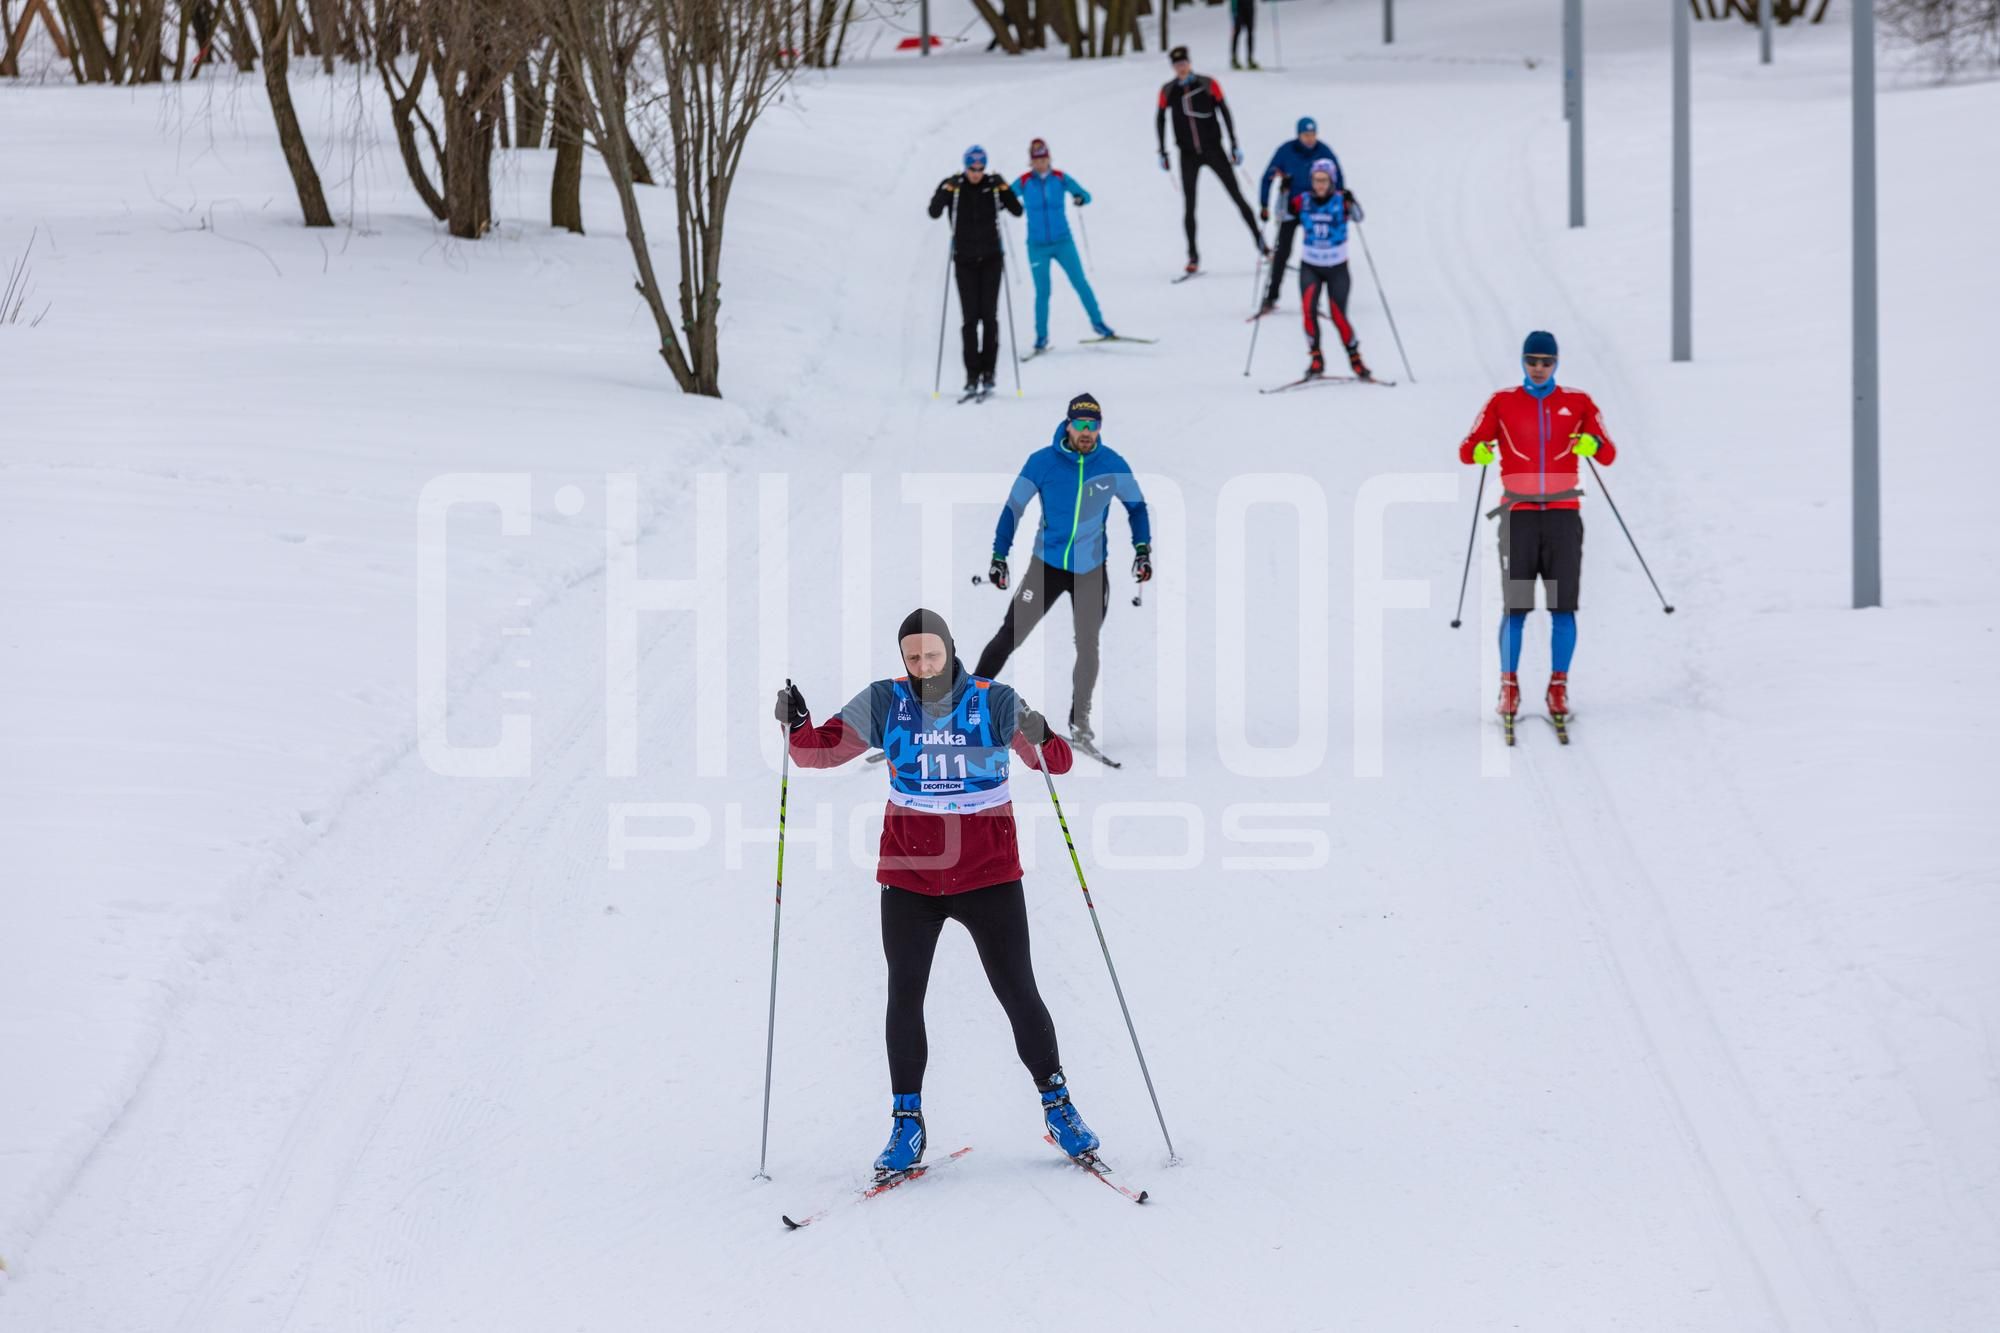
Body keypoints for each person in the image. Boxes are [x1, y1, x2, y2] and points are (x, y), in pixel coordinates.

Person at [775, 609, 1102, 1175]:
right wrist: (796, 723)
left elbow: (1058, 762)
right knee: (904, 994)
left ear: (951, 649)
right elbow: (816, 752)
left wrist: (1041, 733)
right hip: (909, 875)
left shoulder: (994, 700)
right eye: (912, 657)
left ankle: (1059, 1105)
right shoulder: (885, 701)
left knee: (1017, 990)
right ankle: (907, 1123)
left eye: (932, 654)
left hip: (988, 873)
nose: (923, 665)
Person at [1456, 331, 1619, 721]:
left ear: (1557, 362)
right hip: (1519, 517)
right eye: (1533, 361)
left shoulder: (1577, 402)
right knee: (1516, 608)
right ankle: (1509, 685)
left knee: (1563, 609)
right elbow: (1467, 448)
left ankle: (1558, 686)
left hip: (1563, 516)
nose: (1539, 368)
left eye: (1547, 361)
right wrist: (1478, 450)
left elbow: (1609, 452)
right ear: (1523, 362)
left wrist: (1592, 446)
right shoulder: (1503, 402)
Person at [975, 393, 1152, 747]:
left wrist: (1142, 549)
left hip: (1090, 570)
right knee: (1010, 634)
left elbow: (1137, 507)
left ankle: (1079, 722)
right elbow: (1014, 508)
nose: (1087, 432)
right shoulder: (1042, 462)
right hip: (1047, 566)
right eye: (1081, 424)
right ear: (1068, 424)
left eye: (1094, 425)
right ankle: (965, 708)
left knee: (1088, 645)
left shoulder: (1112, 463)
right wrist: (999, 554)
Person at [1155, 46, 1265, 276]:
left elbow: (1224, 111)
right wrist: (1162, 151)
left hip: (1214, 149)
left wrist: (1234, 143)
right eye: (1177, 65)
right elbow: (1160, 118)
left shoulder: (1207, 84)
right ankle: (1193, 256)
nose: (1181, 68)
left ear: (1189, 63)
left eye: (1184, 63)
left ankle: (1262, 244)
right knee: (1190, 205)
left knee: (1237, 196)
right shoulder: (1168, 90)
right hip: (1187, 154)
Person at [928, 145, 1023, 397]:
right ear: (966, 166)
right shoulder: (955, 187)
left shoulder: (992, 186)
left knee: (989, 318)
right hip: (964, 261)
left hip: (992, 260)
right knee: (970, 320)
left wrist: (1004, 187)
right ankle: (971, 375)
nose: (977, 173)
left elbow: (1016, 210)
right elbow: (934, 212)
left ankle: (989, 373)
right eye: (972, 168)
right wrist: (945, 189)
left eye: (981, 169)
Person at [1014, 138, 1114, 353]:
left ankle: (1099, 324)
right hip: (1037, 245)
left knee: (1080, 282)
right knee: (1043, 292)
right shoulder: (1024, 182)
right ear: (1031, 162)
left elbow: (1086, 195)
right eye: (1036, 160)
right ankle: (1041, 337)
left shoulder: (1059, 179)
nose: (1040, 163)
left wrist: (1080, 198)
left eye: (1043, 158)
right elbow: (1005, 197)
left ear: (1049, 158)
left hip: (1062, 242)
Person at [1257, 117, 1353, 313]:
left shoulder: (1323, 151)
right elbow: (1268, 176)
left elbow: (1338, 176)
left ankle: (1314, 300)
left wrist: (1341, 197)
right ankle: (1271, 295)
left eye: (1312, 135)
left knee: (1317, 252)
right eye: (1305, 135)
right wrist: (1264, 203)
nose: (1310, 139)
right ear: (1298, 135)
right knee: (1282, 250)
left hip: (1317, 208)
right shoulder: (1286, 151)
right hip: (1292, 207)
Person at [1291, 162, 1372, 381]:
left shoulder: (1340, 201)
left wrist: (1352, 200)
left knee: (1338, 314)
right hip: (1311, 265)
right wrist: (1283, 193)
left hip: (1337, 267)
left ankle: (1355, 359)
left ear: (1331, 181)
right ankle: (1316, 359)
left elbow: (1358, 217)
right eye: (1316, 180)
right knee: (1308, 310)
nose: (1319, 185)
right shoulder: (1303, 200)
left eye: (1324, 180)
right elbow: (1282, 215)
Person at [1230, 0, 1259, 70]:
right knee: (1237, 32)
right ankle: (1234, 59)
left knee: (1250, 33)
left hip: (1249, 6)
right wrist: (1234, 10)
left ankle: (1250, 59)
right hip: (1239, 7)